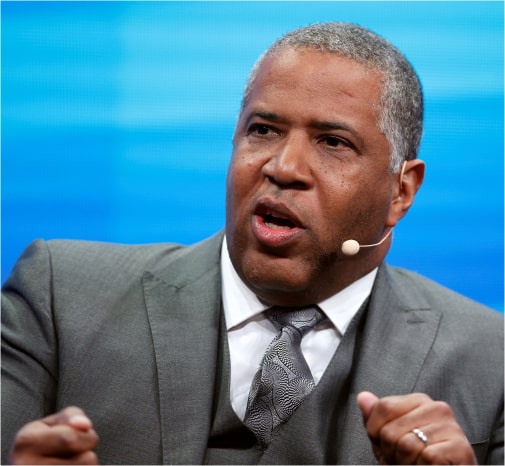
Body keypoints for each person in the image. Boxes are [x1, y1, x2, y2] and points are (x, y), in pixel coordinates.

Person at [1, 22, 503, 465]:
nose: (283, 168)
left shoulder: (492, 361)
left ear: (401, 191)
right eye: (262, 130)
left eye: (333, 143)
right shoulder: (60, 297)